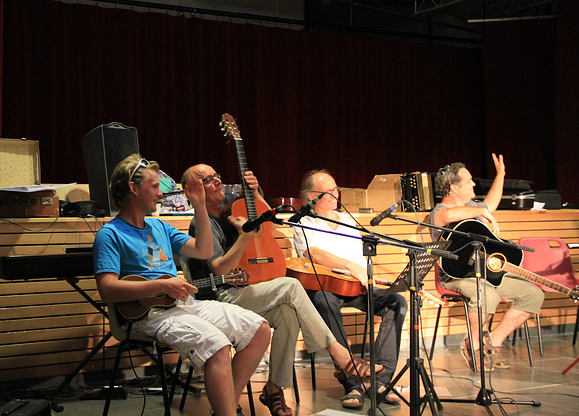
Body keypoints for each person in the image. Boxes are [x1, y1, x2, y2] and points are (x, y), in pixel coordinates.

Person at [181, 164, 382, 416]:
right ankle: (340, 355)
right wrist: (245, 233)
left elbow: (270, 221)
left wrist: (255, 192)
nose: (218, 182)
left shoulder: (228, 210)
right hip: (218, 298)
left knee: (288, 311)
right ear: (193, 190)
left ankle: (274, 388)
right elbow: (221, 271)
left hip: (245, 289)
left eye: (217, 176)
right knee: (291, 285)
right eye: (208, 180)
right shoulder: (203, 223)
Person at [93, 154, 271, 416]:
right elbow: (107, 288)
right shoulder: (110, 234)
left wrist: (199, 205)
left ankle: (225, 407)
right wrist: (160, 287)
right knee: (217, 344)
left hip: (183, 305)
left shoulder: (159, 227)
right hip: (148, 314)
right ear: (133, 189)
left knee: (259, 330)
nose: (160, 193)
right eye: (154, 186)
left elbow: (204, 249)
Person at [292, 169, 407, 409]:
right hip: (328, 287)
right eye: (328, 191)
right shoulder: (303, 222)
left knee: (397, 301)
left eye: (335, 189)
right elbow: (313, 253)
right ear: (312, 195)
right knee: (324, 302)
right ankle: (353, 384)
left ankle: (380, 380)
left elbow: (362, 256)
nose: (335, 194)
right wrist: (348, 265)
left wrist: (367, 272)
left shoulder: (348, 219)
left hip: (357, 287)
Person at [428, 154, 544, 370]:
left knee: (533, 294)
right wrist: (481, 211)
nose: (474, 183)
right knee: (487, 294)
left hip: (486, 272)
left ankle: (493, 341)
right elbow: (452, 216)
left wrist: (500, 175)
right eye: (469, 180)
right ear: (453, 187)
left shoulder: (473, 206)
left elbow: (489, 204)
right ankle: (474, 346)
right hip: (456, 276)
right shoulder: (439, 213)